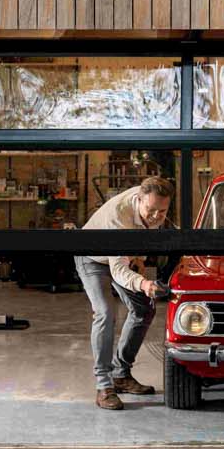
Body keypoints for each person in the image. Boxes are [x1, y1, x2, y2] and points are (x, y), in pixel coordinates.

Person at [75, 175, 174, 410]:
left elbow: (144, 234)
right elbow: (118, 270)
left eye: (162, 211)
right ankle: (104, 386)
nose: (156, 216)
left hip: (121, 256)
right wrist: (145, 284)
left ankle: (121, 374)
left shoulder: (153, 206)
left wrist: (139, 259)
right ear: (139, 199)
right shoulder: (118, 216)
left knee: (144, 309)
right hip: (92, 257)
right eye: (151, 210)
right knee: (105, 313)